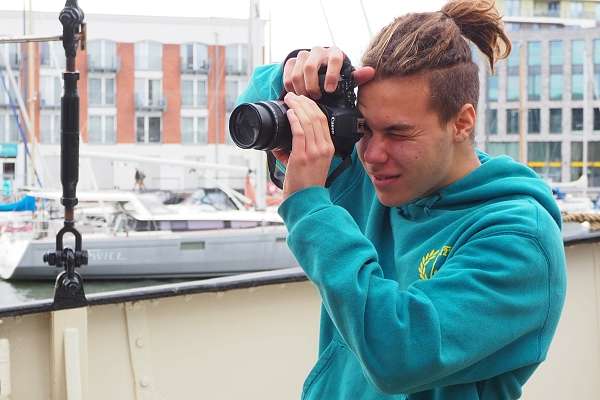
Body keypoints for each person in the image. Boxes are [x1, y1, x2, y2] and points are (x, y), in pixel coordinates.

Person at [237, 0, 566, 398]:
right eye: (365, 129)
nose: (372, 154)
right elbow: (251, 107)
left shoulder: (518, 239)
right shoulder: (375, 178)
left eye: (398, 133)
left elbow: (398, 354)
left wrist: (310, 207)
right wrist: (301, 76)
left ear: (462, 122)